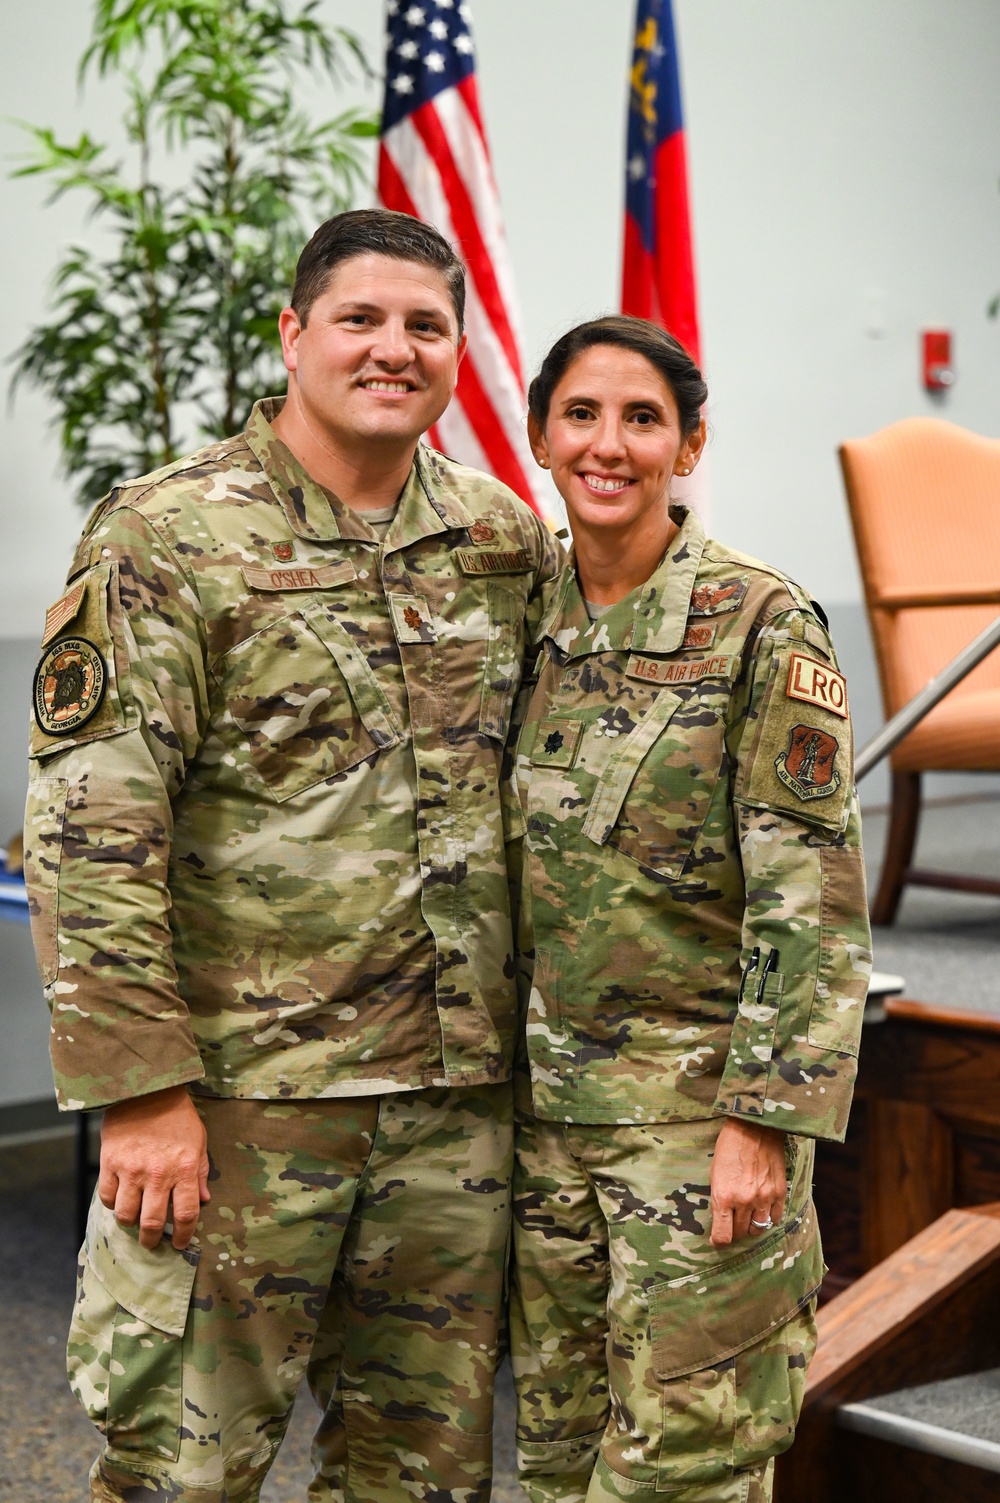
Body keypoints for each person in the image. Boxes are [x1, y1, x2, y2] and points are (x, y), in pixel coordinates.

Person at [23, 207, 561, 1503]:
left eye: (424, 324)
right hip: (245, 1105)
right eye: (359, 318)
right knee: (184, 1468)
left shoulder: (502, 540)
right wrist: (141, 1094)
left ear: (458, 345)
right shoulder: (165, 533)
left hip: (452, 1106)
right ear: (293, 332)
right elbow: (93, 826)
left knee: (423, 1473)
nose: (393, 347)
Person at [508, 316, 871, 1503]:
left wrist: (763, 1123)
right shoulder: (518, 620)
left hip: (695, 1129)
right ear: (540, 437)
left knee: (685, 1470)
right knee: (559, 1454)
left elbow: (808, 902)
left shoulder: (762, 625)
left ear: (689, 443)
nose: (608, 445)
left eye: (642, 418)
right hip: (544, 1121)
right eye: (581, 415)